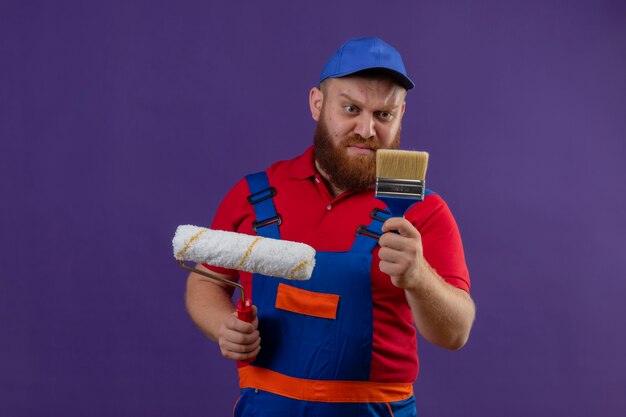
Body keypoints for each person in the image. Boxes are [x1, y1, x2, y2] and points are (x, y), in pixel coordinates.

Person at [185, 37, 475, 417]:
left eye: (384, 115)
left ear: (402, 113)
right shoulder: (253, 195)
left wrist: (418, 276)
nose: (367, 130)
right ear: (317, 104)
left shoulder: (424, 211)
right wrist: (225, 326)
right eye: (351, 108)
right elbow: (206, 281)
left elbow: (455, 333)